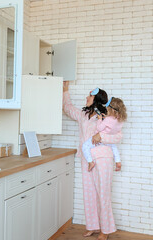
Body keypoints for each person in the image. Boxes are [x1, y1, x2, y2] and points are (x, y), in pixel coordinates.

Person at [62, 81, 122, 240]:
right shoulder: (83, 115)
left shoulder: (107, 115)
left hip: (102, 157)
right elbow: (67, 109)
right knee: (89, 194)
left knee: (103, 194)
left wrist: (101, 136)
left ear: (96, 99)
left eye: (90, 95)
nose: (86, 97)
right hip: (86, 158)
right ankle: (93, 226)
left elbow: (118, 136)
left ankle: (106, 230)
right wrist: (65, 90)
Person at [82, 97, 127, 172]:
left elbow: (99, 128)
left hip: (100, 138)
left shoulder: (108, 120)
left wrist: (100, 119)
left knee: (85, 146)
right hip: (109, 141)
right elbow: (114, 128)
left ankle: (90, 162)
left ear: (111, 110)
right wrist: (105, 118)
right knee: (114, 148)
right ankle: (118, 161)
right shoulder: (120, 120)